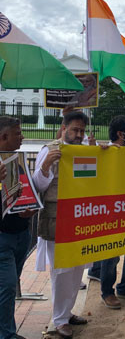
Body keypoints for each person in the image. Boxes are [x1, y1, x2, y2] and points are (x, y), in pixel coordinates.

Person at [32, 111, 90, 338]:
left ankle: (67, 312)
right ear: (64, 128)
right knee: (62, 270)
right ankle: (59, 320)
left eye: (82, 131)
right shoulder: (50, 150)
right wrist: (46, 166)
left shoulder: (84, 150)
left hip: (80, 218)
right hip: (57, 218)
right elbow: (38, 186)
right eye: (75, 130)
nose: (78, 135)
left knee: (77, 269)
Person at [93, 116, 125, 309]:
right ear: (120, 133)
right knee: (111, 254)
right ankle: (108, 292)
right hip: (112, 211)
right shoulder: (105, 153)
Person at [0, 117, 31, 339]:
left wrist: (31, 207)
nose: (22, 137)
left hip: (21, 232)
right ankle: (7, 334)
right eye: (18, 133)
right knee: (7, 287)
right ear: (4, 137)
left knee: (8, 287)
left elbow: (27, 190)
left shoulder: (17, 160)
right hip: (2, 238)